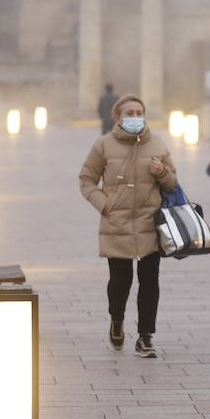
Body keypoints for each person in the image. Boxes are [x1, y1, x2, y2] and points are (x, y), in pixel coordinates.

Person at [78, 93, 178, 358]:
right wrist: (105, 204)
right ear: (117, 117)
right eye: (129, 113)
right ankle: (117, 320)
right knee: (120, 282)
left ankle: (146, 337)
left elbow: (172, 183)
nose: (135, 117)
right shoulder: (103, 145)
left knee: (149, 282)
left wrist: (163, 173)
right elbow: (87, 180)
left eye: (138, 112)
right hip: (117, 224)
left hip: (150, 225)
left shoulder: (157, 144)